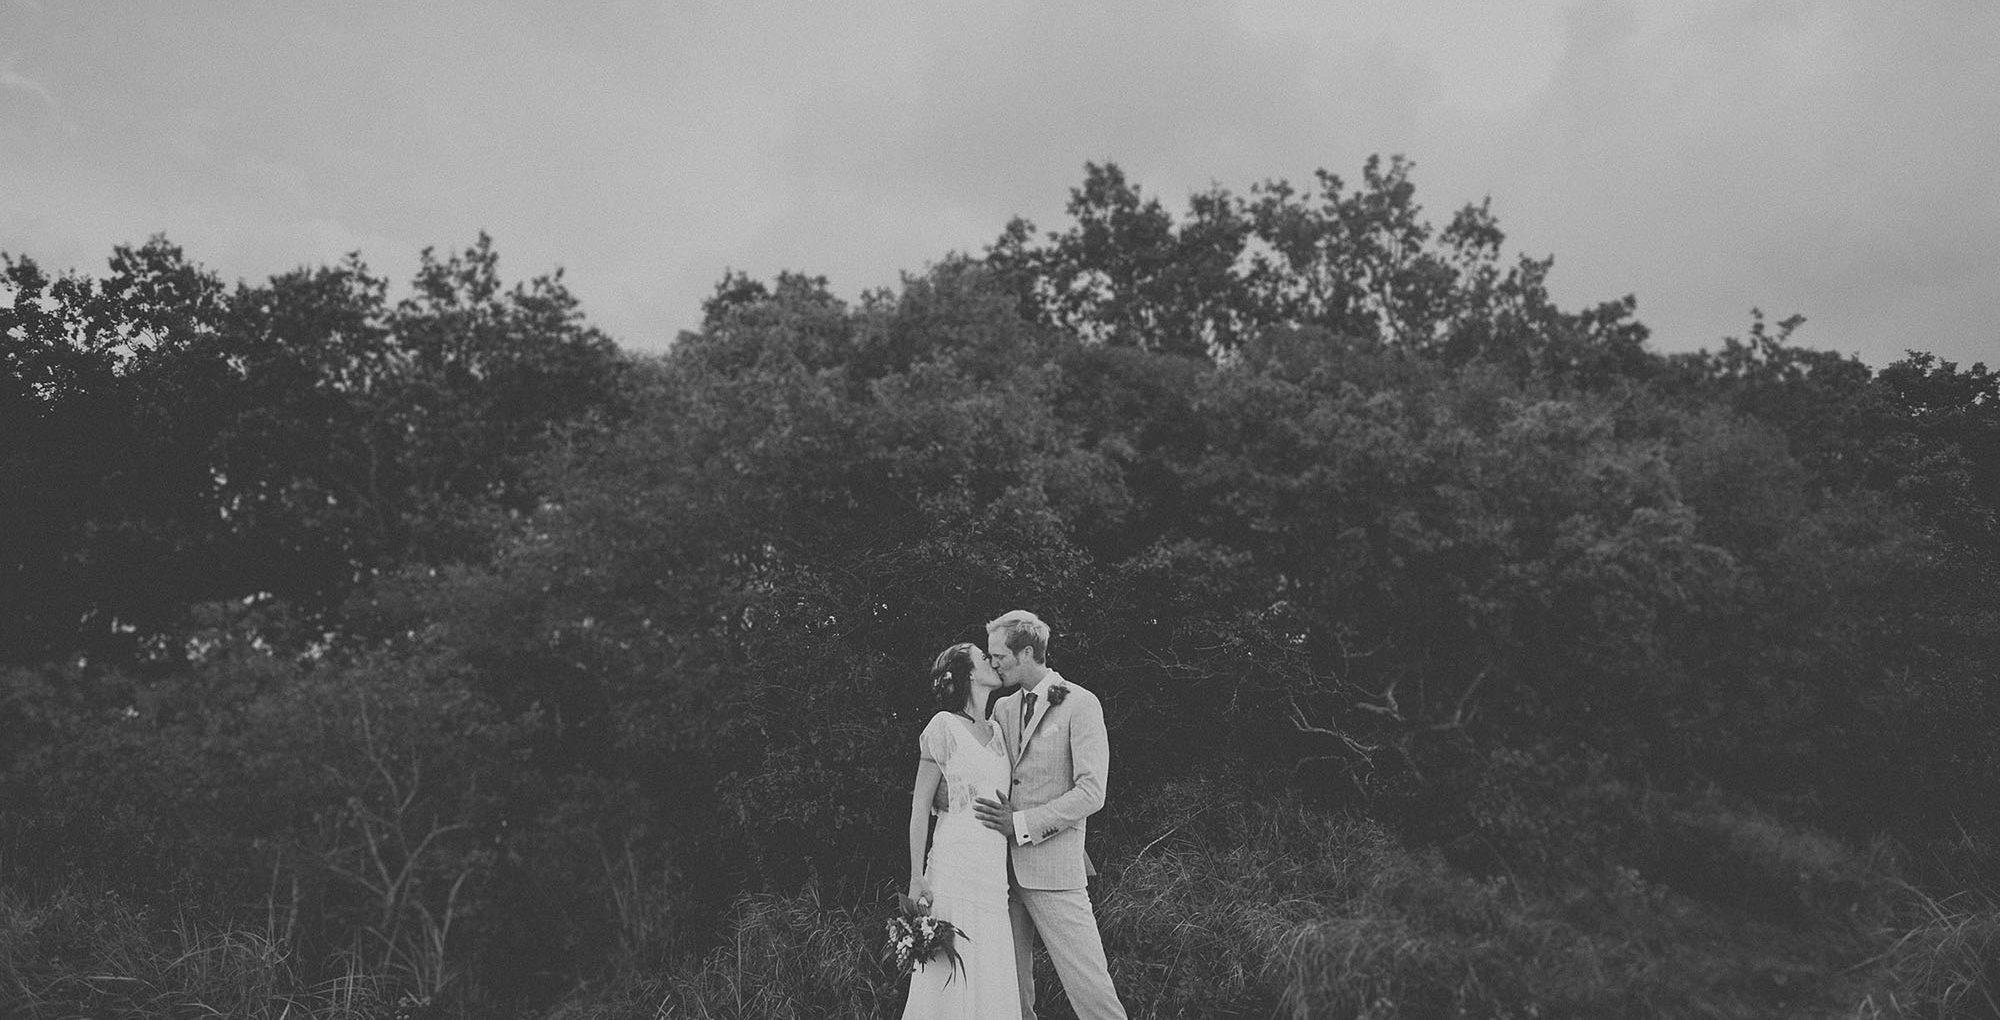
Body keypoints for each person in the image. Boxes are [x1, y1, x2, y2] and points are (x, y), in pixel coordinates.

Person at [974, 610, 1128, 1020]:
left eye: (997, 655)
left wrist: (1020, 824)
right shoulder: (1003, 709)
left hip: (1056, 869)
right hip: (1000, 874)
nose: (993, 664)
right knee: (1011, 994)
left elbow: (1091, 792)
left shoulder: (1081, 703)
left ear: (1026, 652)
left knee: (1092, 991)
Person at [903, 642, 1020, 1019]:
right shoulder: (944, 726)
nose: (991, 661)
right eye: (984, 658)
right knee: (949, 973)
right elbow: (920, 806)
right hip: (953, 866)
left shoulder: (1000, 732)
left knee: (989, 964)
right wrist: (916, 876)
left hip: (990, 869)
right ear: (970, 673)